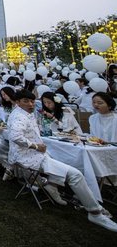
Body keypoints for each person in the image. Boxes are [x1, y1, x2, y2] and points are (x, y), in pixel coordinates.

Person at [8, 89, 117, 231]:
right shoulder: (19, 116)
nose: (31, 104)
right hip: (29, 157)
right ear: (17, 102)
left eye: (32, 101)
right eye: (26, 101)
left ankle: (53, 185)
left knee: (67, 163)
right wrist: (35, 146)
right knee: (76, 174)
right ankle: (95, 212)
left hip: (34, 155)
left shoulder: (23, 113)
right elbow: (15, 136)